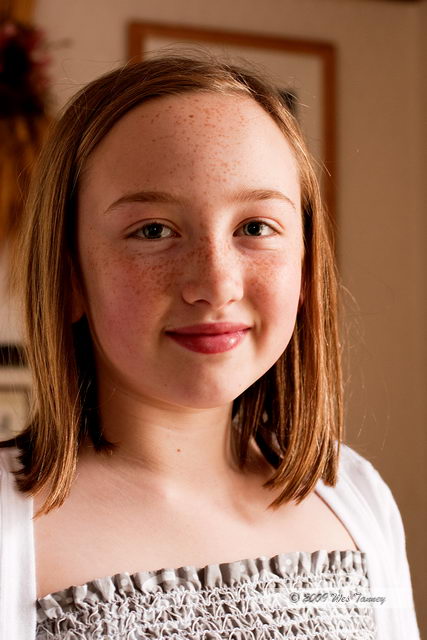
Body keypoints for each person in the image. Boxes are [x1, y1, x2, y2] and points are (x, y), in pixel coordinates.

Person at [0, 52, 420, 640]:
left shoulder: (354, 496)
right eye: (153, 231)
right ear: (70, 275)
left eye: (255, 227)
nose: (217, 284)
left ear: (304, 267)